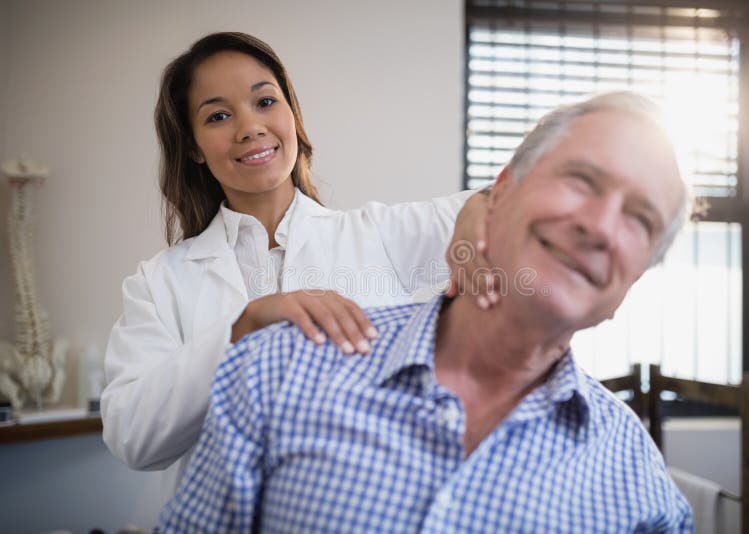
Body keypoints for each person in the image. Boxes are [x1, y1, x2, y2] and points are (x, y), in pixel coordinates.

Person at [159, 92, 694, 533]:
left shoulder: (637, 481)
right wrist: (241, 331)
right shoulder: (276, 371)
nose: (601, 226)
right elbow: (137, 432)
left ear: (639, 275)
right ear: (502, 190)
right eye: (582, 179)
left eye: (640, 218)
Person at [100, 32, 489, 500]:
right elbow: (133, 437)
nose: (249, 127)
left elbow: (524, 191)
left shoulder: (382, 235)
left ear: (293, 117)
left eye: (265, 101)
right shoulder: (160, 282)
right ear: (193, 146)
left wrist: (477, 214)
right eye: (219, 115)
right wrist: (240, 328)